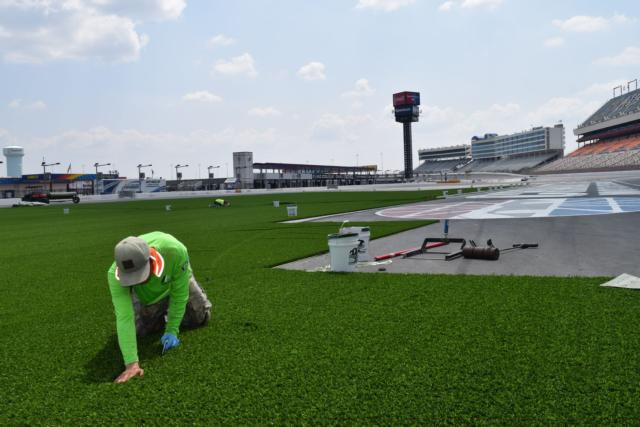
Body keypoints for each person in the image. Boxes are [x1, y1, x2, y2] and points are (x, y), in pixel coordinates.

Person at [107, 231, 212, 383]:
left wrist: (172, 330)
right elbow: (124, 316)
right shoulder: (114, 275)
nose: (136, 281)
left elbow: (180, 295)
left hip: (176, 281)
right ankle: (163, 313)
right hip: (147, 297)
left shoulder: (175, 251)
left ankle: (190, 301)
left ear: (151, 259)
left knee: (200, 317)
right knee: (139, 331)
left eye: (139, 275)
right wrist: (131, 364)